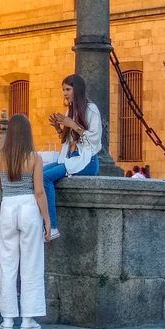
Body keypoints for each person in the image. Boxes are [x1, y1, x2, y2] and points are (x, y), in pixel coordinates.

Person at [0, 114, 50, 329]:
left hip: (8, 206)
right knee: (31, 264)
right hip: (28, 207)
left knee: (8, 264)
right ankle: (28, 319)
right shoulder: (34, 157)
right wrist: (47, 220)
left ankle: (7, 319)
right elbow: (38, 191)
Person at [45, 74, 102, 240]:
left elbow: (95, 139)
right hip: (70, 157)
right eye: (63, 89)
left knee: (45, 178)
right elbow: (66, 139)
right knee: (37, 173)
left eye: (68, 89)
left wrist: (73, 125)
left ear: (77, 89)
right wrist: (59, 128)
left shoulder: (91, 109)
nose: (65, 93)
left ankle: (52, 226)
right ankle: (44, 221)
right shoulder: (70, 110)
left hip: (86, 160)